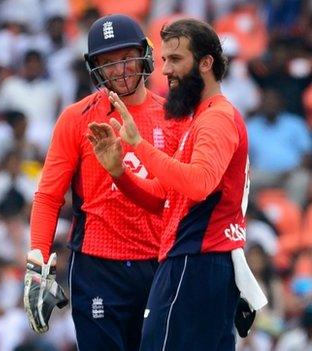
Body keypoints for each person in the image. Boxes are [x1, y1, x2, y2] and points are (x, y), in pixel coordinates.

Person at [87, 18, 267, 350]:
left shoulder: (215, 119)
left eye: (175, 60)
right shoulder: (202, 118)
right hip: (202, 261)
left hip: (194, 260)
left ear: (206, 63)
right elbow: (164, 197)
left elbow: (198, 184)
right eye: (164, 59)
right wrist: (119, 174)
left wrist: (139, 145)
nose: (165, 70)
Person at [23, 14, 188, 350]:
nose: (119, 69)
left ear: (143, 54)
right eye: (108, 62)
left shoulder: (174, 115)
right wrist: (38, 263)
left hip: (159, 264)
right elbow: (48, 196)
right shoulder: (75, 118)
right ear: (95, 68)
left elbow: (183, 197)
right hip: (96, 265)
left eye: (126, 57)